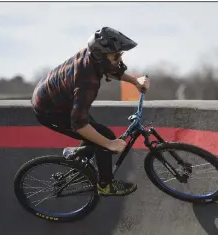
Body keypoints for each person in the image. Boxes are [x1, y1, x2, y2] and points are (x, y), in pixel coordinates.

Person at [31, 27, 150, 196]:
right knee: (104, 137)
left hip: (58, 98)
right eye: (116, 56)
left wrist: (134, 81)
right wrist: (109, 144)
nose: (119, 59)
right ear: (101, 56)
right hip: (49, 110)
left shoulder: (93, 57)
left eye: (120, 55)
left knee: (96, 134)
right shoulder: (87, 81)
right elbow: (78, 124)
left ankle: (80, 162)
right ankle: (105, 186)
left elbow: (110, 68)